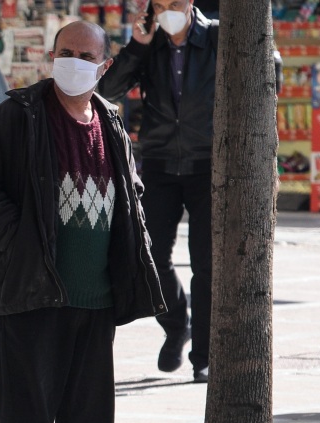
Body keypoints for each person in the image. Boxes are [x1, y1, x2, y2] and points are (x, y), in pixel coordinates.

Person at [0, 21, 165, 423]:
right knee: (28, 415)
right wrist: (14, 239)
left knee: (89, 416)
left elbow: (130, 195)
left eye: (85, 55)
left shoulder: (110, 122)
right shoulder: (16, 117)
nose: (73, 62)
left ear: (104, 65)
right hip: (31, 292)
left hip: (94, 298)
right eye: (65, 52)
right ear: (51, 57)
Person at [98, 0, 218, 382]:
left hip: (209, 164)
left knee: (207, 264)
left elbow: (271, 68)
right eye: (161, 4)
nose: (169, 10)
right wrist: (137, 46)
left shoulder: (216, 36)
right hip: (161, 163)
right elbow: (109, 89)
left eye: (176, 3)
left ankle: (204, 355)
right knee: (149, 255)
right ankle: (175, 324)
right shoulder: (151, 45)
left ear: (191, 3)